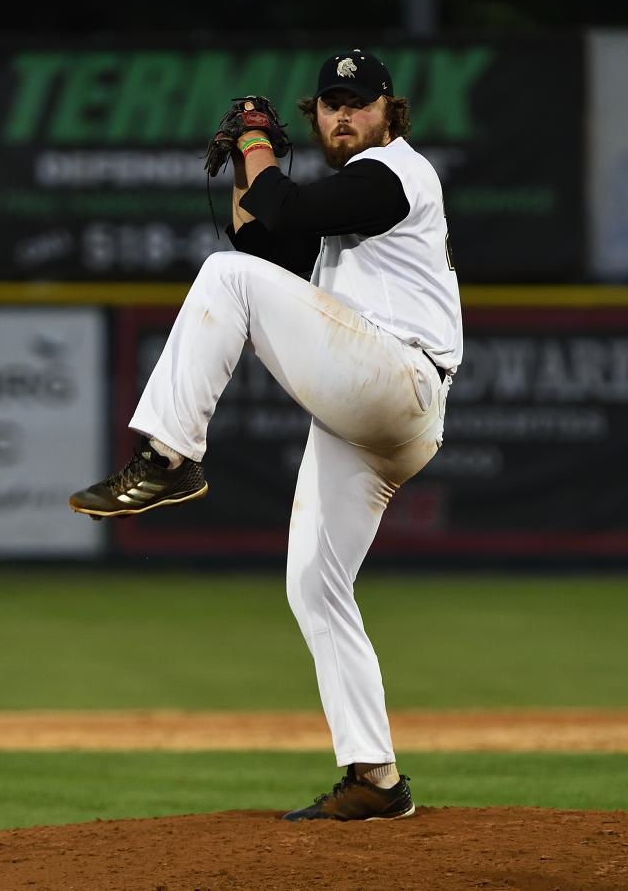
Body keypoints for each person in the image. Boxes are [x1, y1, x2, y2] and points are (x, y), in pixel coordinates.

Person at [69, 49, 463, 821]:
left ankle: (167, 458)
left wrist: (254, 143)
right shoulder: (344, 221)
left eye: (359, 102)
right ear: (315, 117)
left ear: (390, 111)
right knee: (313, 585)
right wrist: (256, 170)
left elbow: (276, 224)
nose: (345, 115)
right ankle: (374, 778)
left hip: (397, 379)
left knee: (221, 278)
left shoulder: (398, 173)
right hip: (378, 418)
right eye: (331, 104)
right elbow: (262, 236)